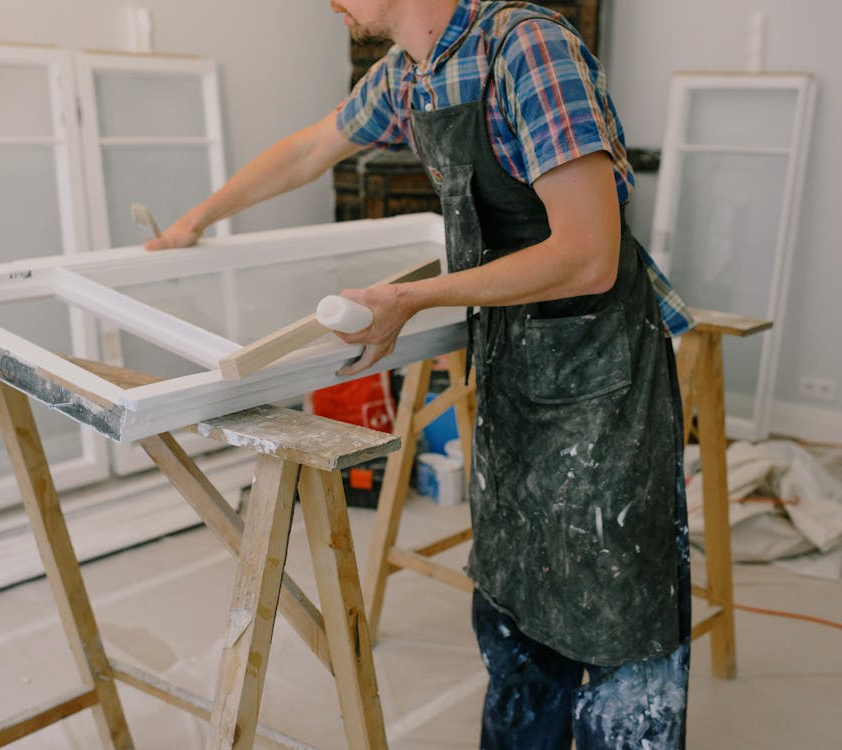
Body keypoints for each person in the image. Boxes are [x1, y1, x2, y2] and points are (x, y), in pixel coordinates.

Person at [148, 1, 695, 747]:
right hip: (513, 363)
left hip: (599, 371)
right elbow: (308, 149)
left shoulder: (527, 48)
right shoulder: (411, 73)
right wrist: (194, 221)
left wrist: (409, 298)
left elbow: (588, 255)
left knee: (612, 617)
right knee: (515, 608)